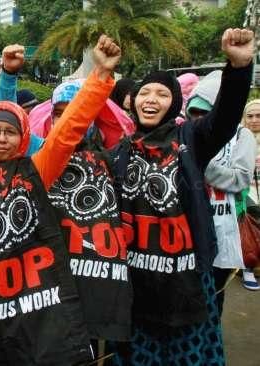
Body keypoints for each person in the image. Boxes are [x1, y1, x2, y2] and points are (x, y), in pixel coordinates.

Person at [0, 34, 121, 365]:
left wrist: (99, 77)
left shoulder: (36, 171)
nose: (0, 138)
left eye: (10, 132)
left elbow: (69, 129)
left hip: (31, 309)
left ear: (24, 138)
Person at [109, 28, 254, 365]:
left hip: (186, 281)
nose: (151, 99)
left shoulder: (192, 137)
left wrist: (240, 68)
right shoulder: (118, 152)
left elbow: (227, 116)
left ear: (174, 102)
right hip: (136, 284)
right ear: (132, 101)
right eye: (145, 92)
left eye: (162, 93)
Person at [186, 71, 255, 305]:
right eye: (193, 114)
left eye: (205, 114)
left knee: (214, 296)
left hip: (224, 229)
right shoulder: (185, 135)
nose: (199, 120)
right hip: (190, 232)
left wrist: (202, 163)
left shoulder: (242, 135)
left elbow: (241, 178)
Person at [241, 99, 260, 290]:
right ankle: (248, 269)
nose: (254, 120)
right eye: (250, 116)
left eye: (259, 116)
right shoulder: (238, 140)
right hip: (248, 194)